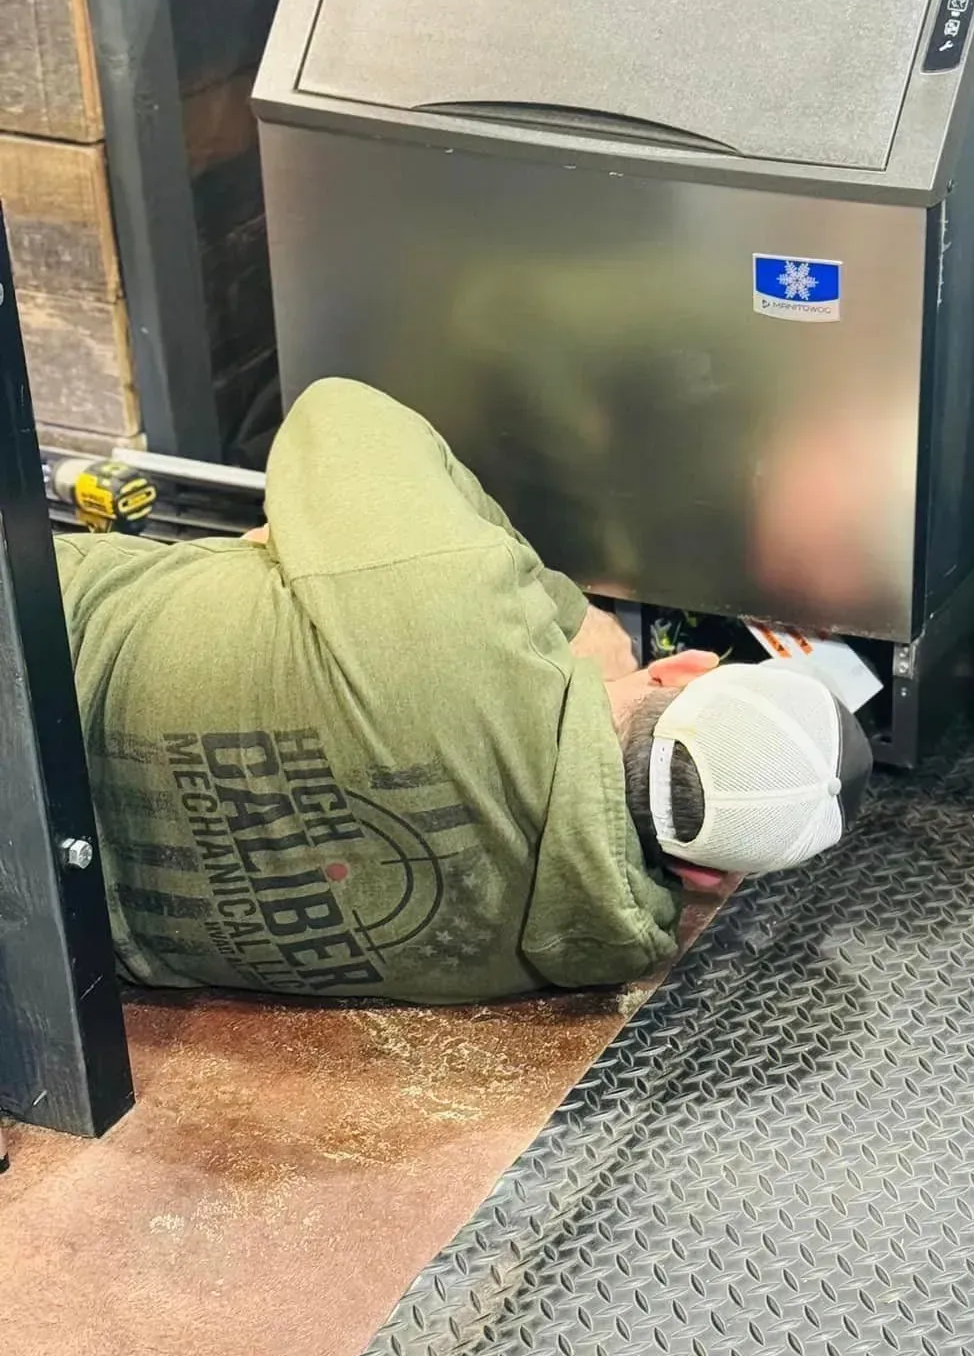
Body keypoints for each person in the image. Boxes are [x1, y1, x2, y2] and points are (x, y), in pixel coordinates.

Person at [53, 378, 872, 1004]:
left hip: (37, 654)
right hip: (52, 933)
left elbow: (336, 410)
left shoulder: (456, 610)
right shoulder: (571, 954)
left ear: (682, 670)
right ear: (701, 879)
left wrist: (563, 609)